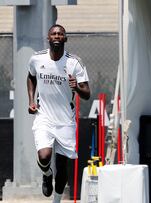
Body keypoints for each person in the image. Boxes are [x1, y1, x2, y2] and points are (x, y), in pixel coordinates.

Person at [27, 24, 90, 203]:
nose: (57, 36)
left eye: (60, 34)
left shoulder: (74, 62)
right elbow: (31, 76)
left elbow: (87, 93)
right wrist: (31, 100)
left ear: (65, 39)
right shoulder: (36, 59)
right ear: (49, 38)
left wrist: (76, 87)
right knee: (44, 155)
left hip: (65, 121)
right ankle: (47, 174)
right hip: (44, 117)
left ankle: (57, 200)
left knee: (62, 168)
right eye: (53, 33)